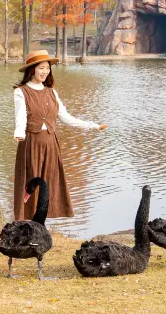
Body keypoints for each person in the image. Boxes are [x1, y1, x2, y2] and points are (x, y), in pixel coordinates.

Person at [13, 49, 107, 220]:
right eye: (41, 68)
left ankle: (42, 223)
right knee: (31, 183)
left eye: (47, 68)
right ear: (32, 69)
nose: (45, 71)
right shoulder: (21, 92)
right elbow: (20, 117)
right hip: (31, 144)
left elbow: (66, 117)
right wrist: (19, 133)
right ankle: (27, 224)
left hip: (50, 144)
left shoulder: (52, 92)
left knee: (49, 184)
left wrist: (93, 126)